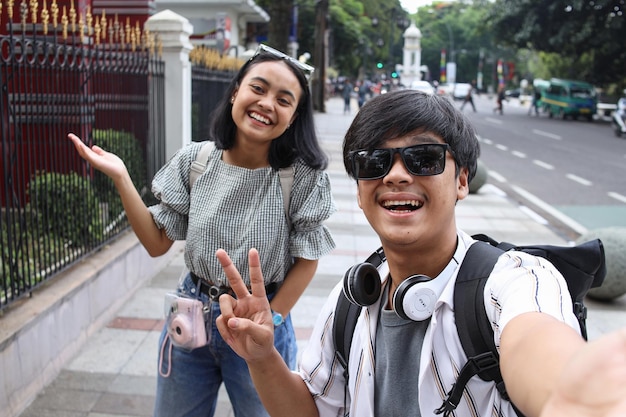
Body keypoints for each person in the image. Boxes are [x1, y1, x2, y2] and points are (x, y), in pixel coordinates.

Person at [213, 90, 626, 417]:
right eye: (374, 162)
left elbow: (538, 346)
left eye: (423, 158)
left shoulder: (516, 280)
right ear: (359, 191)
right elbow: (311, 412)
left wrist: (576, 393)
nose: (395, 174)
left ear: (462, 180)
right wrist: (263, 358)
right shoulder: (351, 298)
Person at [67, 44, 336, 417]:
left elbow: (308, 260)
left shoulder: (301, 177)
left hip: (259, 322)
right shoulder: (195, 160)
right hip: (192, 315)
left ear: (293, 117)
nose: (266, 103)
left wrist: (270, 318)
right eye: (257, 88)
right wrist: (123, 178)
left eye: (283, 99)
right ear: (235, 92)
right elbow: (157, 242)